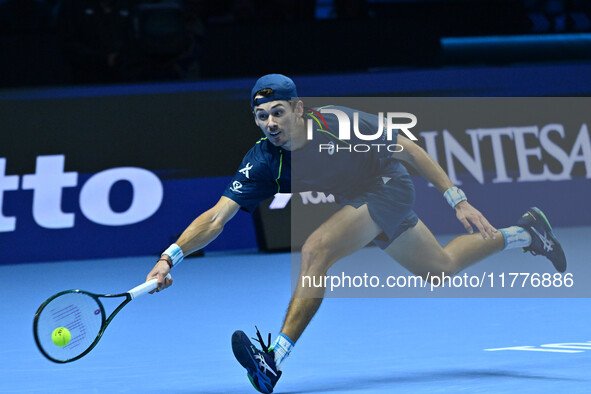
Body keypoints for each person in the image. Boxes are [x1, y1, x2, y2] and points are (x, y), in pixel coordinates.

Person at [145, 74, 566, 393]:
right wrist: (169, 257)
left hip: (388, 185)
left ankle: (274, 358)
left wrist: (457, 200)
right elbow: (216, 218)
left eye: (277, 111)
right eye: (261, 115)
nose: (270, 122)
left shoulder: (338, 123)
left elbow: (409, 148)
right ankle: (527, 233)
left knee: (316, 250)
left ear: (298, 109)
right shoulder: (263, 161)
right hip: (359, 199)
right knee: (440, 268)